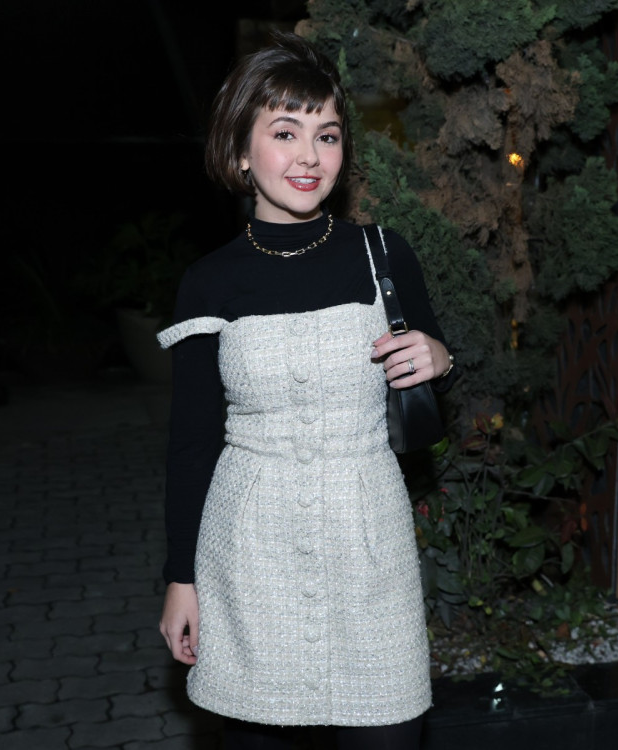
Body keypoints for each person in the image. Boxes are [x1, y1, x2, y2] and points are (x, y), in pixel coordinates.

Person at [156, 31, 456, 750]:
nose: (310, 156)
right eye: (285, 132)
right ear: (240, 150)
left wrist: (440, 358)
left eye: (327, 135)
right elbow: (191, 442)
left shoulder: (383, 255)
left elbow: (432, 388)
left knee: (389, 732)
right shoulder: (209, 281)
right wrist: (180, 579)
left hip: (369, 538)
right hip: (249, 548)